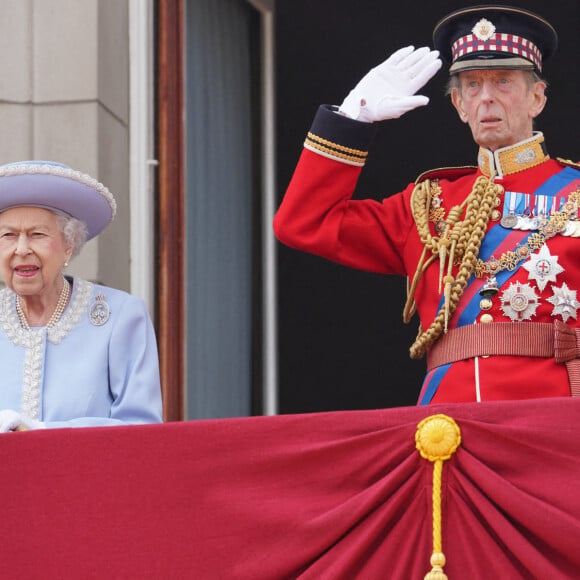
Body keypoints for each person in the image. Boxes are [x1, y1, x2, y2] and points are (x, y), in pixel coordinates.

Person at [274, 5, 580, 404]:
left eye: (503, 81)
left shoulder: (572, 193)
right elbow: (303, 222)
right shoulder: (427, 205)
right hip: (446, 429)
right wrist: (352, 120)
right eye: (471, 85)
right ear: (458, 104)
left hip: (555, 423)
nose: (486, 98)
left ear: (536, 98)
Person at [0, 160, 163, 431]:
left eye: (37, 234)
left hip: (90, 474)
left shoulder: (120, 317)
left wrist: (40, 432)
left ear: (69, 244)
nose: (21, 249)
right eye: (8, 235)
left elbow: (141, 429)